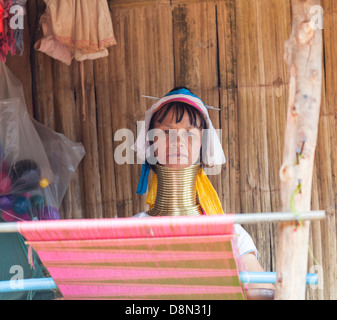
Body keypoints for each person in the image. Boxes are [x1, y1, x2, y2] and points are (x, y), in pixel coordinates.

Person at [132, 87, 274, 291]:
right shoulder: (131, 232)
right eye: (165, 132)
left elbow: (263, 294)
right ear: (151, 142)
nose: (176, 141)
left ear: (202, 144)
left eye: (189, 133)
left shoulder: (229, 234)